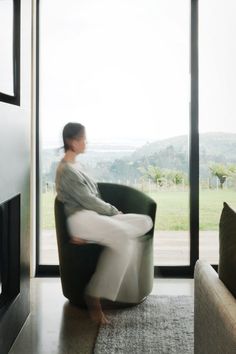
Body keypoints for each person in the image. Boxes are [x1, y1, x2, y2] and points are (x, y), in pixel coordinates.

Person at [55, 122, 153, 324]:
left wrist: (110, 217)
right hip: (81, 219)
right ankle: (95, 296)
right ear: (72, 142)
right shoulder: (66, 170)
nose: (86, 142)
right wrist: (113, 212)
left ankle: (98, 236)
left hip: (94, 217)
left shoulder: (77, 165)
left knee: (145, 221)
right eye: (83, 138)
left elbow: (93, 195)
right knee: (125, 238)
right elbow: (88, 200)